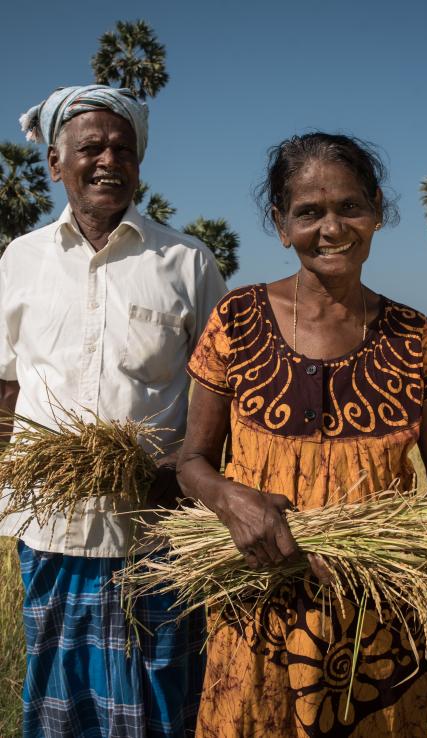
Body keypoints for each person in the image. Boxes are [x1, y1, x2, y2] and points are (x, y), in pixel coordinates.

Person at [177, 133, 427, 737]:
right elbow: (192, 460)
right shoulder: (237, 320)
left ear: (377, 212)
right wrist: (233, 502)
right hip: (260, 605)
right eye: (309, 213)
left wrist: (389, 556)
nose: (332, 228)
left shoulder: (411, 337)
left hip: (382, 623)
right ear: (282, 226)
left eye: (349, 207)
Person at [0, 85, 226, 737]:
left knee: (160, 696)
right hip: (53, 532)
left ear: (139, 163)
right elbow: (7, 389)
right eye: (90, 148)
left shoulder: (185, 262)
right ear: (54, 163)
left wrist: (181, 473)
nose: (107, 161)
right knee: (62, 701)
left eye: (121, 149)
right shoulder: (21, 261)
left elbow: (225, 394)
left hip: (157, 532)